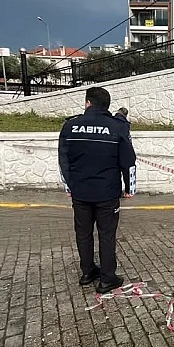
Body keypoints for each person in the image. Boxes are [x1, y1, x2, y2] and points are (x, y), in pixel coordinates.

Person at [58, 87, 136, 294]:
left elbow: (63, 160)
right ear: (107, 106)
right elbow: (128, 162)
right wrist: (130, 188)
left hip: (80, 192)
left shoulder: (70, 126)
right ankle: (107, 278)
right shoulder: (116, 128)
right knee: (106, 234)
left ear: (87, 103)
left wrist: (68, 186)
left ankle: (87, 272)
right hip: (107, 193)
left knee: (83, 233)